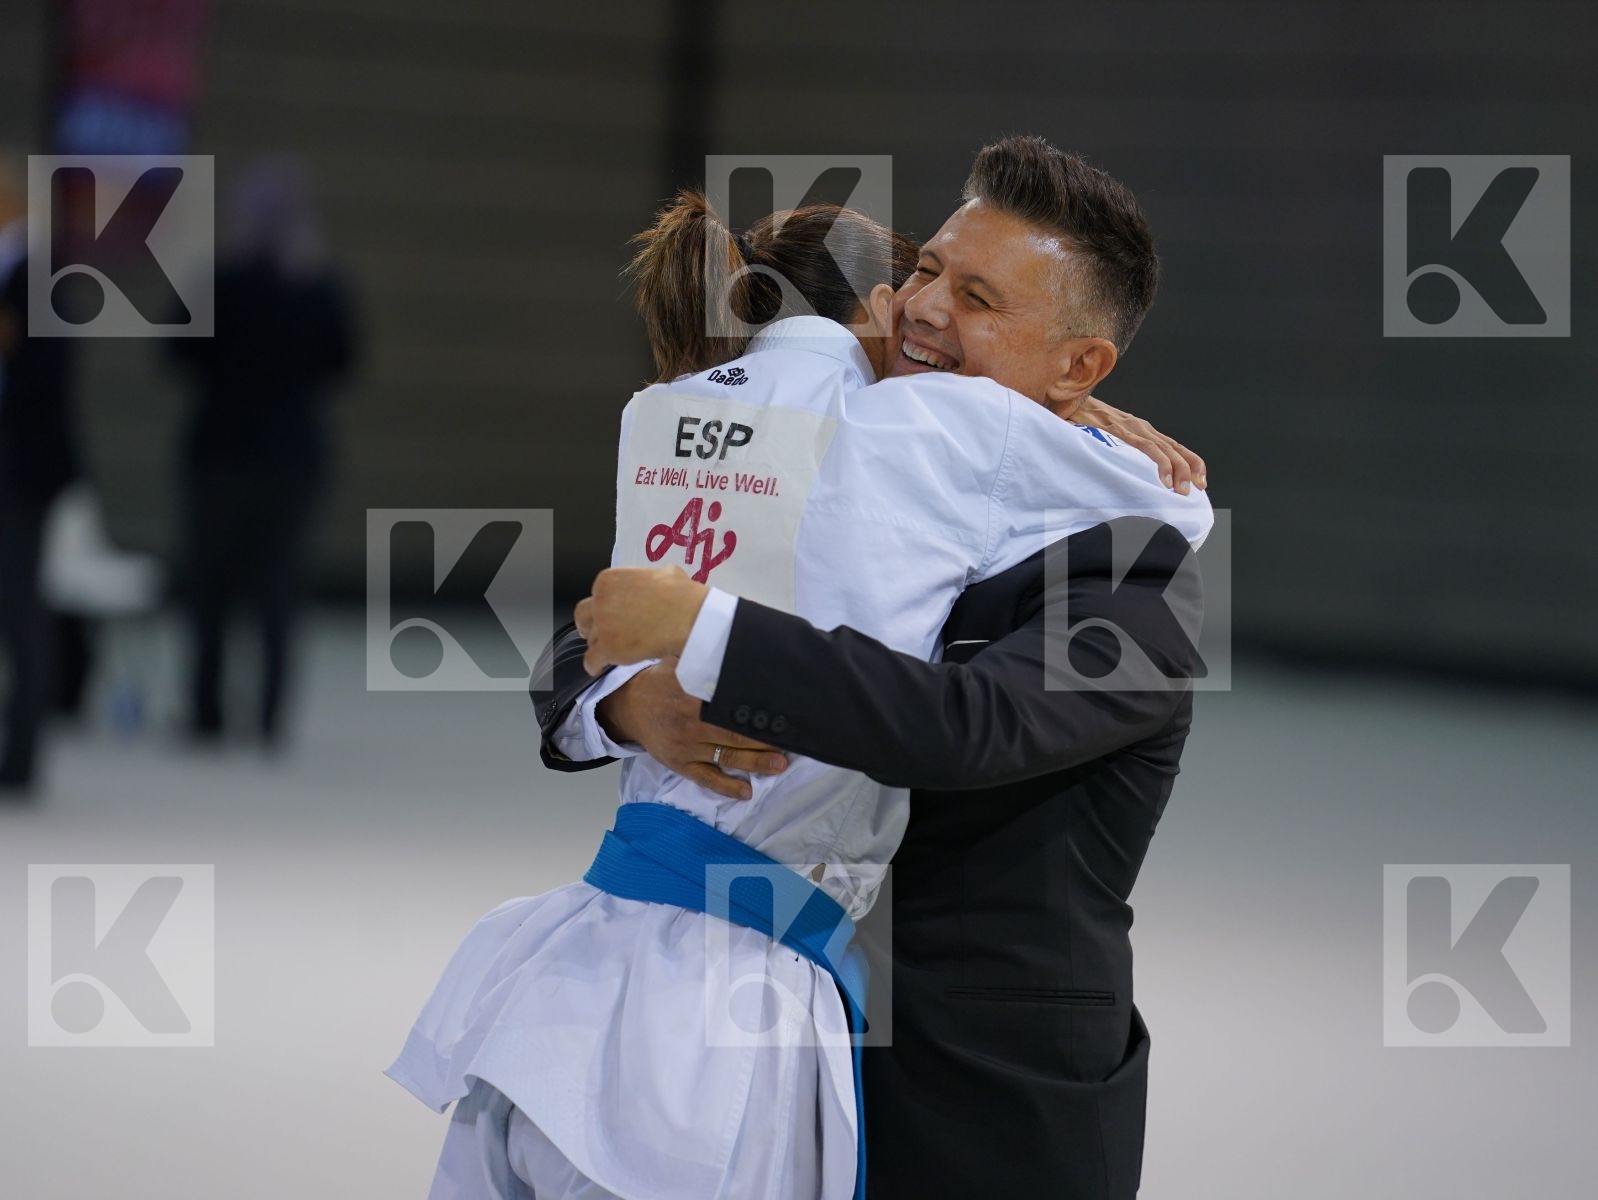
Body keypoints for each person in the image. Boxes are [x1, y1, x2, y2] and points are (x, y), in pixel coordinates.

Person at [389, 167, 1210, 1198]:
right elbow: (607, 621)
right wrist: (628, 705)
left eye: (976, 299)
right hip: (759, 1045)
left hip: (973, 1104)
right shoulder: (863, 460)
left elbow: (964, 725)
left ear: (1078, 363)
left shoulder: (1135, 587)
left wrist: (706, 635)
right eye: (925, 272)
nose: (918, 308)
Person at [165, 158, 356, 747]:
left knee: (210, 591)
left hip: (220, 452)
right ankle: (270, 719)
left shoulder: (217, 283)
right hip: (290, 458)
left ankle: (206, 713)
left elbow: (174, 354)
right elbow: (343, 362)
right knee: (277, 593)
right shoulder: (318, 287)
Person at [0, 157, 83, 793]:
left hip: (19, 472)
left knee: (21, 609)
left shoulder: (41, 277)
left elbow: (48, 379)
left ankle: (22, 755)